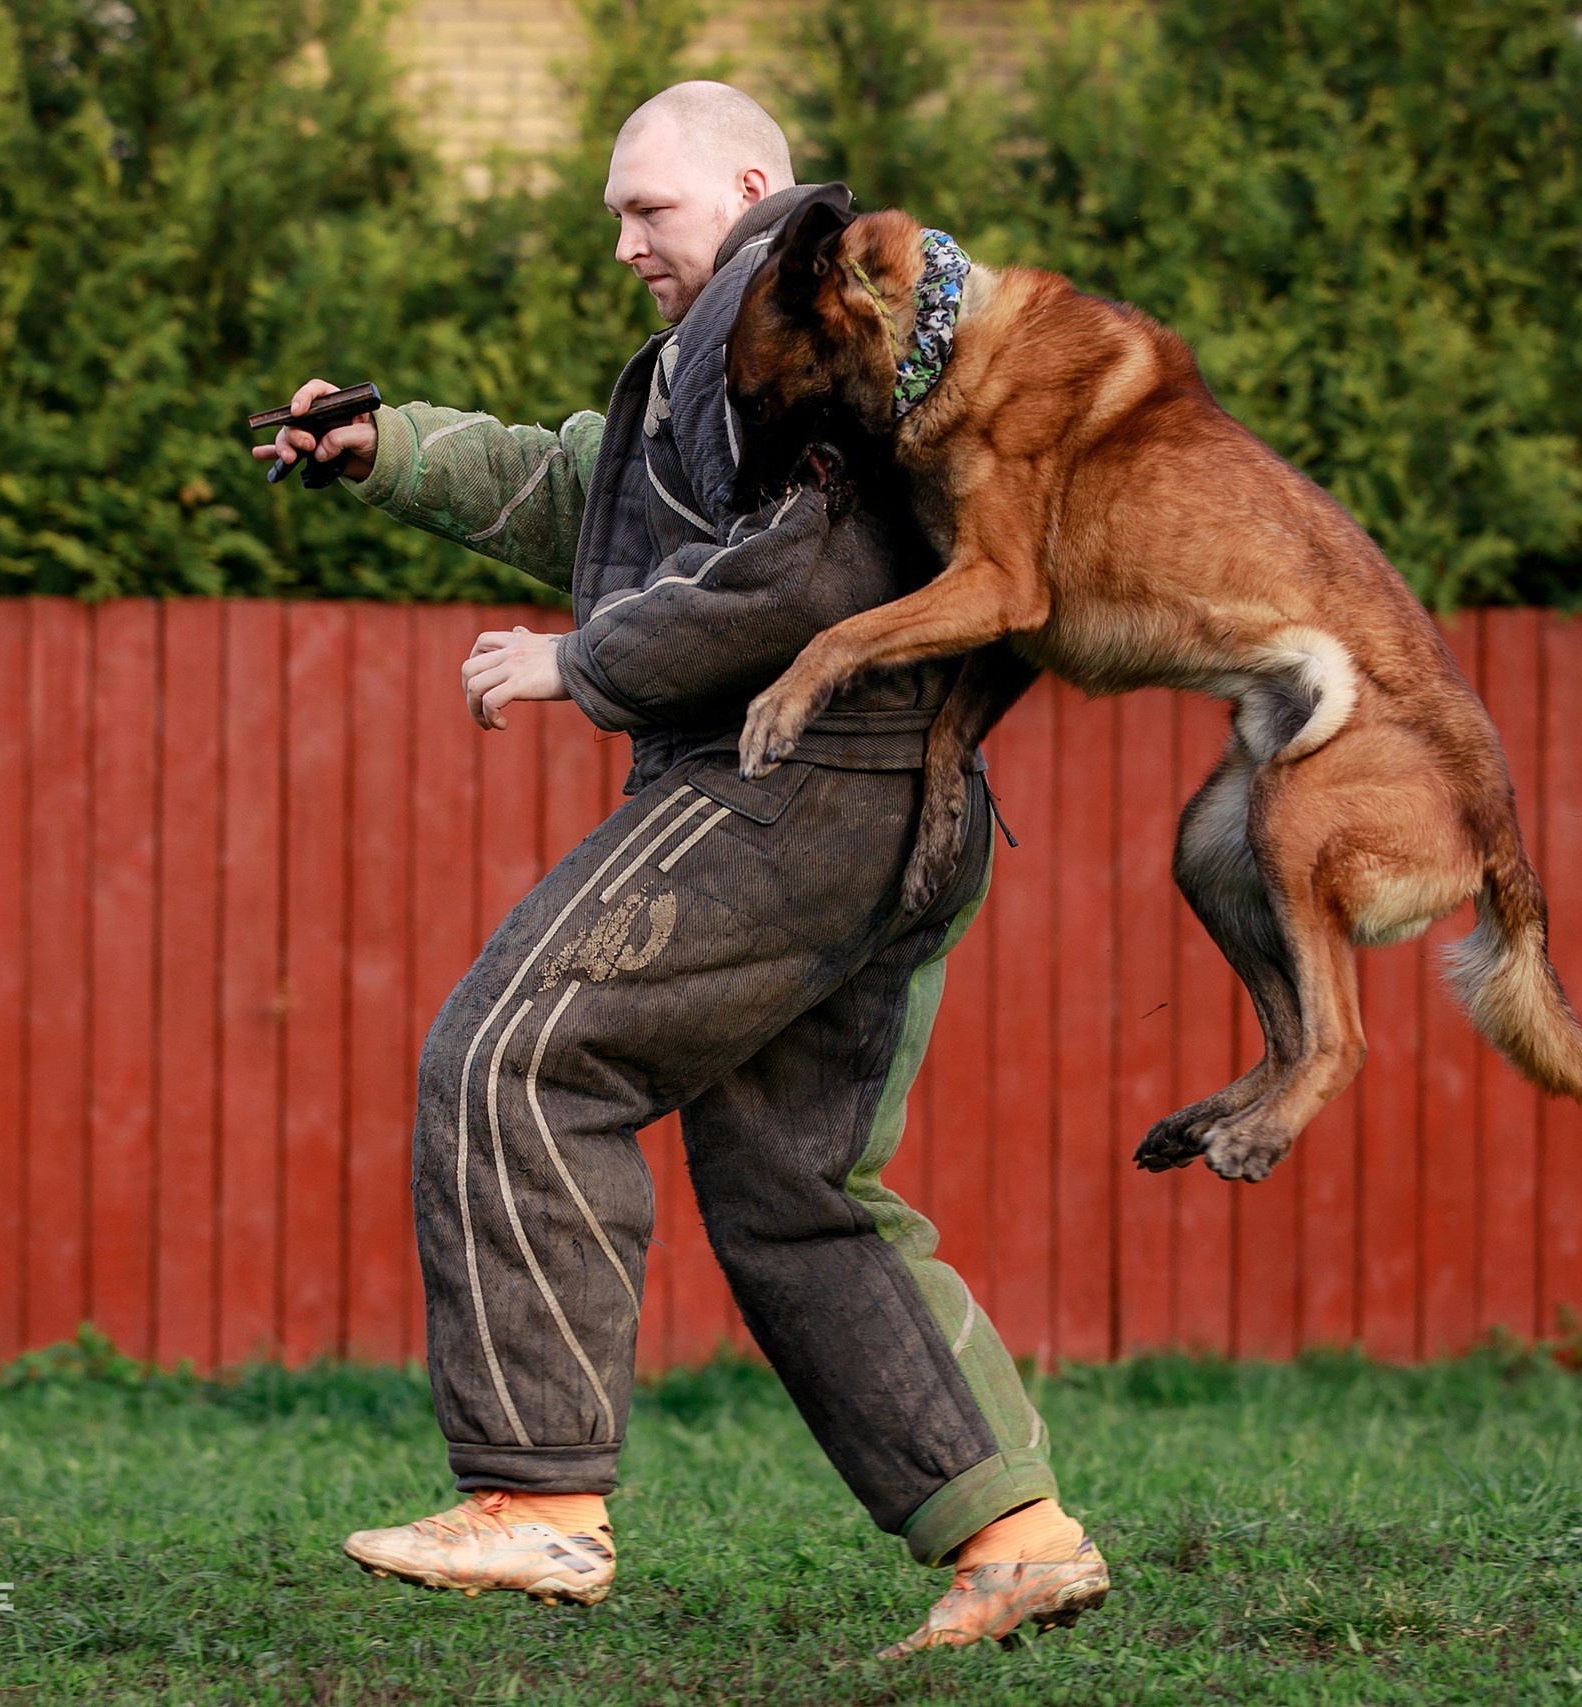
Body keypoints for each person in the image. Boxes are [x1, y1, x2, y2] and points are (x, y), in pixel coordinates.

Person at [251, 79, 1106, 1658]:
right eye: (616, 217)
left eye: (650, 209)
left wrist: (584, 663)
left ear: (753, 184)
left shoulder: (809, 322)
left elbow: (814, 568)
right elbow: (603, 501)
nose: (627, 244)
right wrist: (393, 447)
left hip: (798, 784)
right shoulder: (727, 356)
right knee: (796, 1188)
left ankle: (536, 1501)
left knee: (515, 1055)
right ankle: (1016, 1536)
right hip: (900, 803)